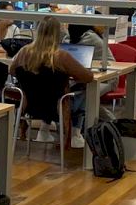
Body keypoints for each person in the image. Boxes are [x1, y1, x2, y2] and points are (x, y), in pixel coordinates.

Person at [10, 18, 94, 149]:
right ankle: (75, 134)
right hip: (57, 108)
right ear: (58, 34)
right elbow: (88, 77)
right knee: (84, 89)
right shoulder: (62, 56)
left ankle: (44, 130)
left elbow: (12, 70)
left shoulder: (24, 52)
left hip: (29, 106)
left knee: (47, 91)